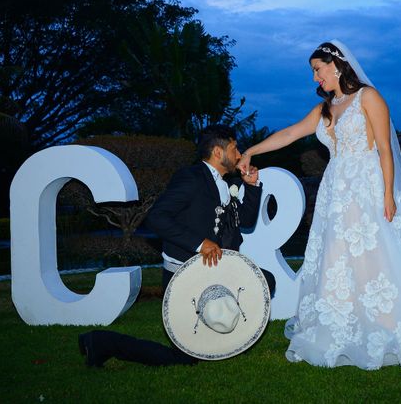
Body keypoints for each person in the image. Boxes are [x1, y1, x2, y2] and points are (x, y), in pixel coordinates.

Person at [236, 40, 401, 370]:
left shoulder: (368, 97)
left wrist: (386, 197)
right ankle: (341, 325)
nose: (315, 78)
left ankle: (386, 324)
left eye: (317, 70)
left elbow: (384, 149)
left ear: (336, 65)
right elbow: (291, 133)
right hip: (335, 192)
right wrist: (252, 150)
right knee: (337, 258)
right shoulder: (324, 109)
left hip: (367, 185)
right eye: (313, 72)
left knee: (377, 256)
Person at [79, 124, 271, 367]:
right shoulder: (191, 178)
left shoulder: (224, 183)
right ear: (217, 152)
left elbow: (245, 220)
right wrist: (199, 244)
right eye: (234, 148)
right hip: (185, 273)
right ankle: (101, 343)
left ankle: (225, 339)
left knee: (265, 281)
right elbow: (157, 217)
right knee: (184, 359)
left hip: (218, 271)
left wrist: (251, 186)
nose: (239, 154)